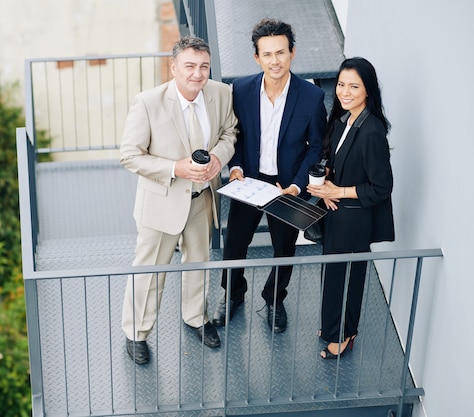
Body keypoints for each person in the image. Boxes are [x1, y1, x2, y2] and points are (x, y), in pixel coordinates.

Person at [120, 36, 238, 364]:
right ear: (174, 67)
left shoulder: (221, 93)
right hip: (161, 201)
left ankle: (195, 318)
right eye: (189, 66)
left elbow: (230, 133)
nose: (197, 74)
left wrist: (217, 158)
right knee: (150, 271)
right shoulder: (147, 102)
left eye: (203, 66)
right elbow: (129, 156)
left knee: (199, 263)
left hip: (202, 200)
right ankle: (137, 333)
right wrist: (175, 168)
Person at [212, 18, 326, 333]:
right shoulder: (242, 90)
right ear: (257, 58)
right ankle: (233, 294)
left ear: (292, 53)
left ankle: (274, 298)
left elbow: (316, 147)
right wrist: (234, 166)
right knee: (234, 243)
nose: (274, 61)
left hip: (287, 185)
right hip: (249, 180)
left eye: (280, 53)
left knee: (284, 248)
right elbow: (233, 134)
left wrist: (296, 186)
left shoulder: (311, 97)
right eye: (267, 54)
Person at [307, 57, 394, 359]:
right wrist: (326, 183)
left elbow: (381, 188)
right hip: (337, 213)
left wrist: (338, 192)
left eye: (354, 86)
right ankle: (332, 327)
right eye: (342, 84)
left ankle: (344, 335)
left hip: (355, 220)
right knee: (332, 274)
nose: (344, 92)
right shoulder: (344, 119)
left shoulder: (371, 131)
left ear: (368, 90)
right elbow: (339, 161)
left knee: (348, 279)